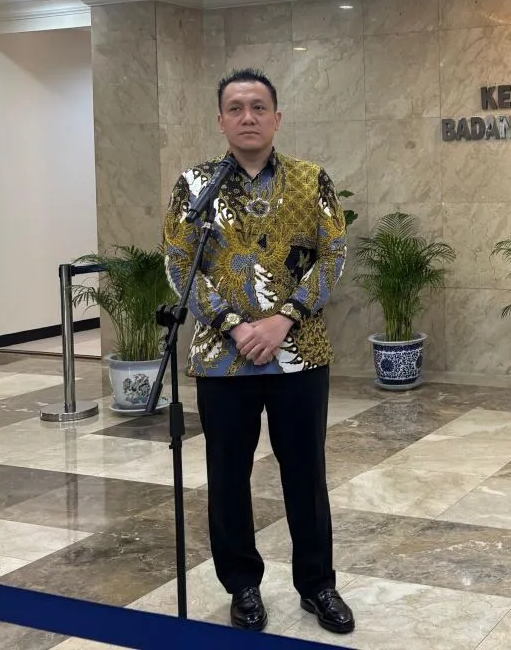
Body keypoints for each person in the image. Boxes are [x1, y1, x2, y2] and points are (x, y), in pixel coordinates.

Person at [163, 67, 354, 635]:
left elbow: (334, 254)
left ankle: (318, 586)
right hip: (223, 360)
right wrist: (231, 325)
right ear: (220, 119)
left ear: (277, 117)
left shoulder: (310, 179)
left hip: (299, 352)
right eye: (236, 108)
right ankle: (242, 587)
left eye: (258, 107)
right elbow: (178, 261)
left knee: (305, 473)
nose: (248, 117)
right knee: (227, 477)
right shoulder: (195, 186)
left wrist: (282, 318)